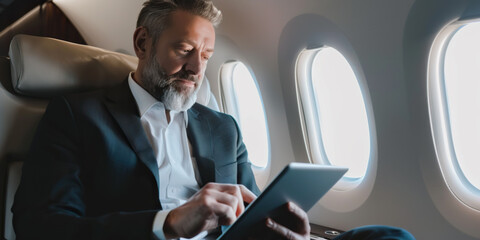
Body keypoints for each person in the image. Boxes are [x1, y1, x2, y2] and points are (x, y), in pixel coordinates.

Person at [12, 0, 415, 239]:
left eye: (205, 56)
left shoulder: (223, 128)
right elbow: (41, 227)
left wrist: (281, 227)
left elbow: (251, 215)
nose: (195, 69)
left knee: (391, 236)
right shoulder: (78, 116)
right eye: (184, 50)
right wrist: (166, 224)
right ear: (141, 43)